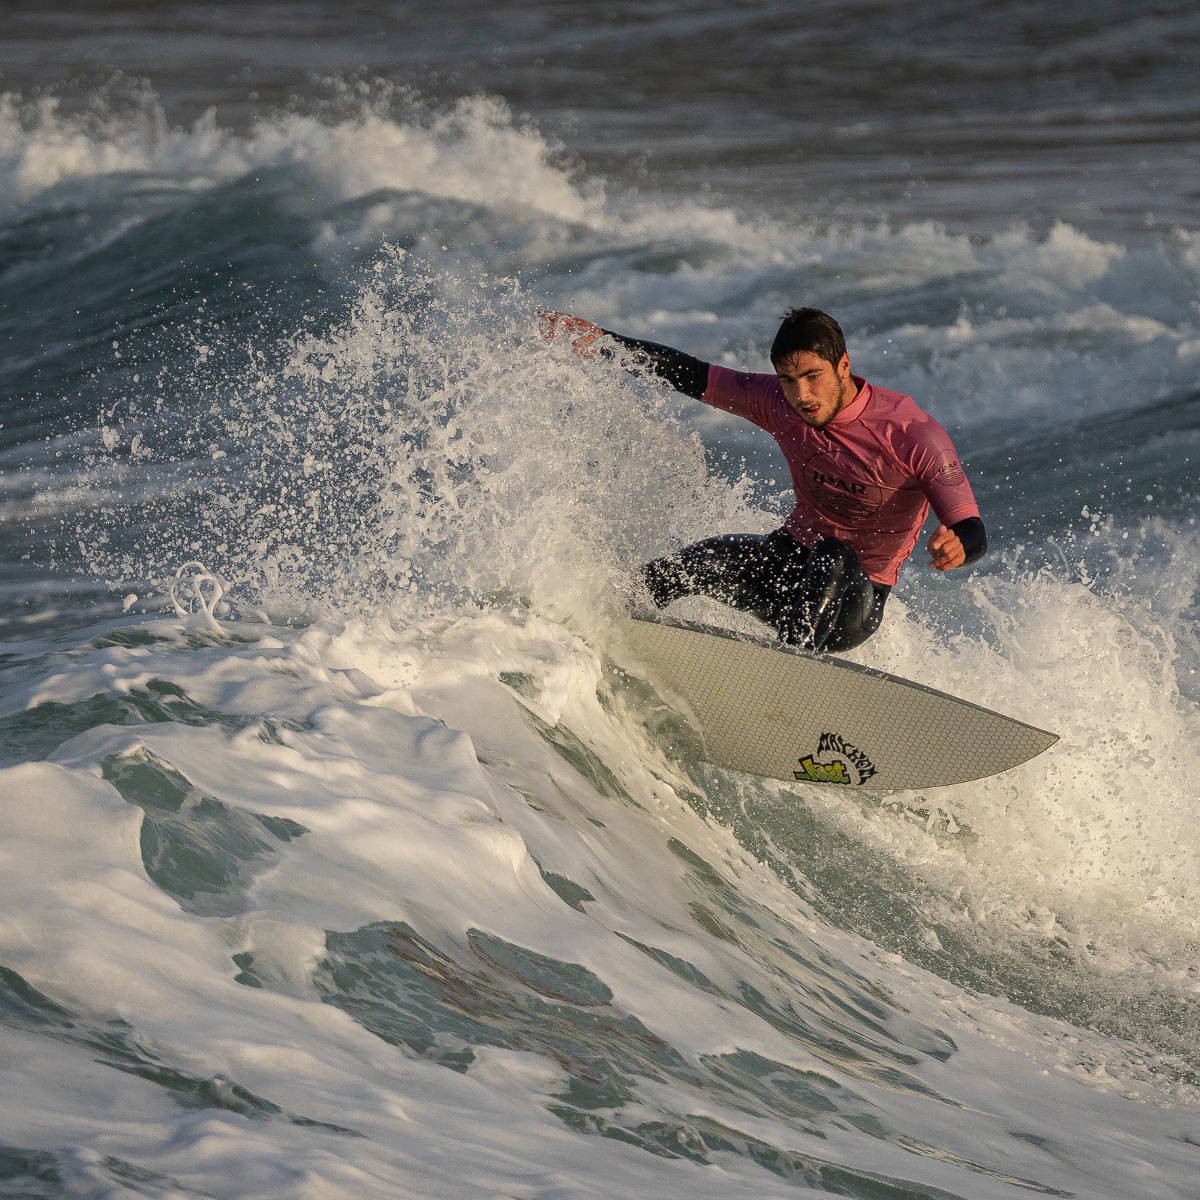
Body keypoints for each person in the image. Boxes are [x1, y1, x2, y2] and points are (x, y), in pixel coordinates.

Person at [539, 307, 986, 653]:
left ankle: (788, 673)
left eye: (813, 377)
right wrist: (602, 343)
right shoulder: (776, 401)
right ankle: (593, 635)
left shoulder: (912, 435)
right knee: (695, 563)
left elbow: (971, 526)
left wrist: (960, 545)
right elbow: (688, 373)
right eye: (789, 380)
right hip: (787, 568)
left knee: (832, 554)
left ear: (844, 366)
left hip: (851, 600)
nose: (802, 395)